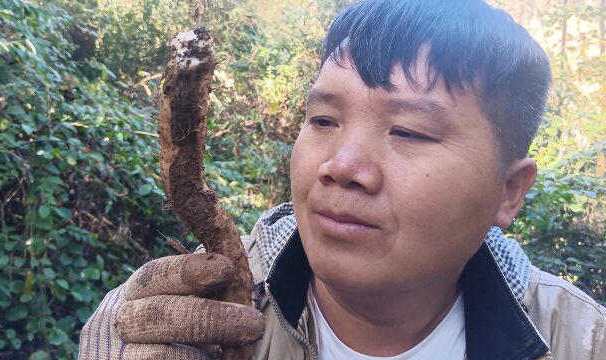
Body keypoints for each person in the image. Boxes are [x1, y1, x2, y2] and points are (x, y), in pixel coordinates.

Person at [78, 0, 606, 359]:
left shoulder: (578, 341)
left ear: (509, 190)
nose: (343, 165)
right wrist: (107, 340)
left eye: (410, 131)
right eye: (324, 121)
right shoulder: (193, 306)